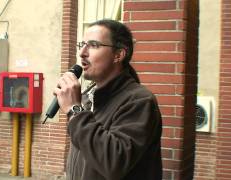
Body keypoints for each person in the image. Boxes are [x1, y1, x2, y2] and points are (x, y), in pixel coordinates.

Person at [53, 19, 163, 180]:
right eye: (82, 44)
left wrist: (74, 110)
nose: (82, 52)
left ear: (118, 55)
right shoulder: (88, 97)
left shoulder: (139, 101)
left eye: (93, 45)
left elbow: (114, 162)